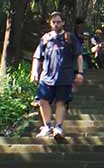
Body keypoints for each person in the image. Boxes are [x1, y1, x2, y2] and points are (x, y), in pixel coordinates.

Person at [31, 11, 84, 139]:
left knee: (61, 102)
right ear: (50, 23)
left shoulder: (69, 38)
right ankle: (47, 126)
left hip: (64, 76)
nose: (56, 24)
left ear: (63, 23)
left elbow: (79, 55)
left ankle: (58, 127)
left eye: (58, 22)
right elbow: (37, 56)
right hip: (46, 76)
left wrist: (80, 73)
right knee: (43, 100)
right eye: (53, 22)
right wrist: (34, 71)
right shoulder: (45, 38)